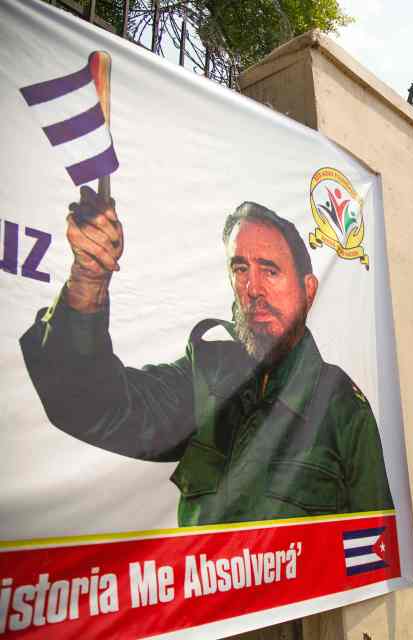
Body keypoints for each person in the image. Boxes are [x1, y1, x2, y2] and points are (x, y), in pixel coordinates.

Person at [20, 196, 393, 525]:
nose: (254, 289)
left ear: (308, 290)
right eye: (240, 269)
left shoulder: (342, 405)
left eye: (270, 269)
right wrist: (88, 278)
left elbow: (375, 548)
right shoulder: (208, 375)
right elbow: (98, 409)